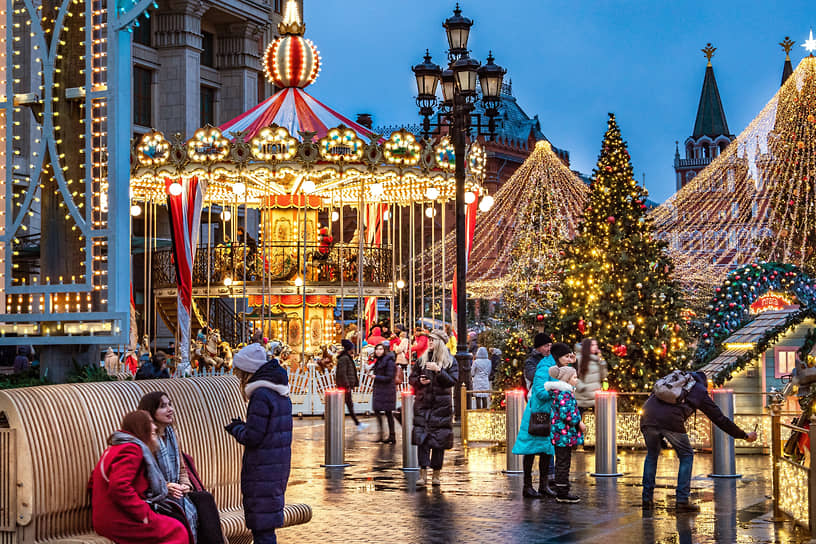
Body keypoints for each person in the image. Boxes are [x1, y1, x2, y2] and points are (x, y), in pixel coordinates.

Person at [640, 370, 758, 512]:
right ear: (704, 383)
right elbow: (720, 419)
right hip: (671, 421)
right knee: (686, 456)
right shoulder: (699, 391)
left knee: (652, 456)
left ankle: (646, 499)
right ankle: (682, 501)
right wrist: (744, 435)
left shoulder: (675, 381)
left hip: (647, 417)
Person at [226, 343, 293, 544]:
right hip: (276, 468)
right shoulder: (279, 393)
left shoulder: (260, 396)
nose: (238, 378)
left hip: (262, 470)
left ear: (247, 372)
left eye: (239, 373)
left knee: (262, 532)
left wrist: (236, 427)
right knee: (265, 529)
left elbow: (253, 437)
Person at [90, 410, 190, 544]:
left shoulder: (114, 448)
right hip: (119, 521)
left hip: (106, 519)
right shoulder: (132, 449)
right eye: (150, 423)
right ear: (141, 427)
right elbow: (119, 487)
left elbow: (92, 483)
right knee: (176, 530)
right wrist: (143, 514)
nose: (154, 427)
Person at [137, 391, 199, 542]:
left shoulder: (172, 434)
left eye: (170, 404)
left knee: (205, 500)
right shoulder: (145, 440)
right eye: (163, 406)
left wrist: (185, 485)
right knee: (178, 515)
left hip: (177, 493)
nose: (170, 409)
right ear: (151, 412)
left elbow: (182, 469)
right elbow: (143, 478)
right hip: (156, 498)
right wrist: (166, 486)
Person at [512, 341, 571, 498]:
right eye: (566, 356)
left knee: (546, 451)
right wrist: (556, 391)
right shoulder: (544, 369)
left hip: (550, 415)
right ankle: (527, 486)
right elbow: (539, 392)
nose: (568, 358)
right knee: (531, 450)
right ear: (558, 357)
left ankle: (543, 485)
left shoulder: (559, 370)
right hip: (537, 416)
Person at [409, 329, 458, 487]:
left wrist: (439, 371)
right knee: (422, 440)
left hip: (441, 407)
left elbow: (452, 381)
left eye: (432, 340)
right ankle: (422, 474)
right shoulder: (422, 360)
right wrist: (419, 381)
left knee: (439, 441)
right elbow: (412, 378)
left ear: (439, 343)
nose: (429, 343)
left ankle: (436, 475)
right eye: (429, 340)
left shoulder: (450, 361)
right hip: (423, 405)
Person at [546, 364, 585, 503]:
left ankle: (562, 488)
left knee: (563, 461)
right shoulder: (565, 394)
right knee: (563, 462)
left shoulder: (562, 392)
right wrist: (578, 422)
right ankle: (562, 492)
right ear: (567, 379)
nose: (577, 379)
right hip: (563, 434)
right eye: (574, 377)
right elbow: (567, 413)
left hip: (561, 434)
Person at [336, 339, 367, 430]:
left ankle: (357, 423)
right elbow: (342, 373)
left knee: (348, 404)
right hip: (345, 386)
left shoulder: (345, 358)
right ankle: (357, 423)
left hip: (345, 385)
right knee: (348, 404)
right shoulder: (345, 358)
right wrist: (347, 385)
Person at [371, 343, 397, 444]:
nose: (378, 351)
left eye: (380, 349)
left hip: (387, 390)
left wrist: (376, 377)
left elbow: (389, 377)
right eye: (377, 349)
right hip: (380, 390)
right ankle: (382, 433)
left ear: (384, 350)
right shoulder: (379, 361)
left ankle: (391, 435)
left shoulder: (389, 361)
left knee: (388, 413)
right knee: (377, 411)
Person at [574, 338, 608, 413]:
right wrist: (582, 387)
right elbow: (573, 375)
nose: (595, 347)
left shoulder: (597, 360)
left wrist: (602, 363)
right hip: (582, 397)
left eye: (596, 345)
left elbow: (603, 376)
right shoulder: (578, 358)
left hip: (595, 397)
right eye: (592, 345)